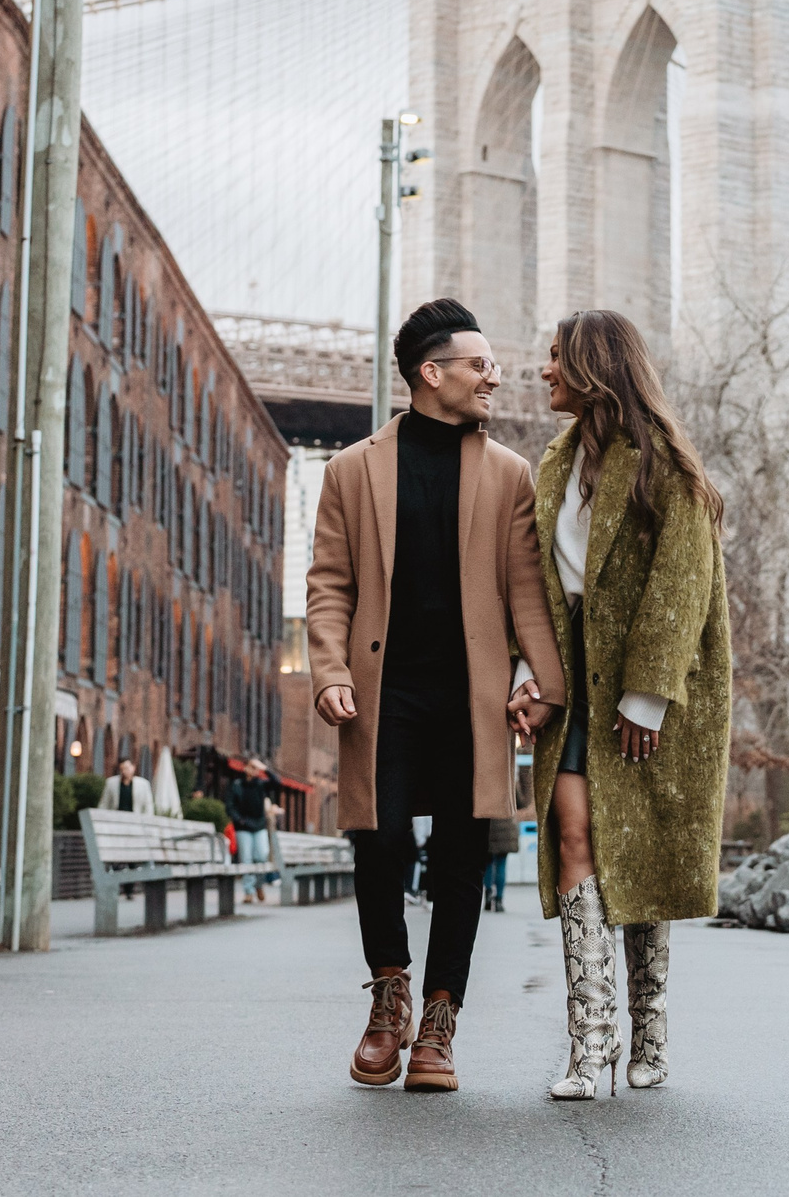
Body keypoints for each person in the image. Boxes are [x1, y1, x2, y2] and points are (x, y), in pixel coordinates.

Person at [306, 297, 567, 1093]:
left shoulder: (509, 474)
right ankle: (390, 997)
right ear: (432, 373)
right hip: (384, 695)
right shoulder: (351, 470)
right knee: (377, 838)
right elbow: (329, 587)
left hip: (473, 698)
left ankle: (439, 1023)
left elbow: (527, 592)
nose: (495, 376)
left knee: (461, 853)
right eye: (479, 364)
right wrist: (330, 671)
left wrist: (542, 680)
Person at [512, 310, 731, 1101]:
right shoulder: (552, 464)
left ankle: (651, 1034)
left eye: (554, 358)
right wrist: (526, 679)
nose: (542, 371)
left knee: (636, 851)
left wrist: (648, 697)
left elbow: (683, 586)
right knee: (573, 837)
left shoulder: (665, 466)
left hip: (646, 695)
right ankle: (589, 1042)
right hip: (573, 686)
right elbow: (535, 589)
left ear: (593, 366)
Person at [227, 756, 281, 902]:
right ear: (245, 768)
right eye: (251, 766)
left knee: (262, 856)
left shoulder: (261, 784)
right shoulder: (237, 785)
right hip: (243, 827)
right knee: (246, 859)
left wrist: (265, 769)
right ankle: (248, 891)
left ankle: (258, 885)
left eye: (255, 767)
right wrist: (239, 820)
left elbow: (277, 783)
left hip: (259, 826)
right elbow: (230, 806)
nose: (254, 770)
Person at [482, 816, 517, 913]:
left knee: (488, 863)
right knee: (501, 864)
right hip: (505, 828)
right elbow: (523, 802)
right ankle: (499, 900)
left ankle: (488, 895)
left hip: (488, 826)